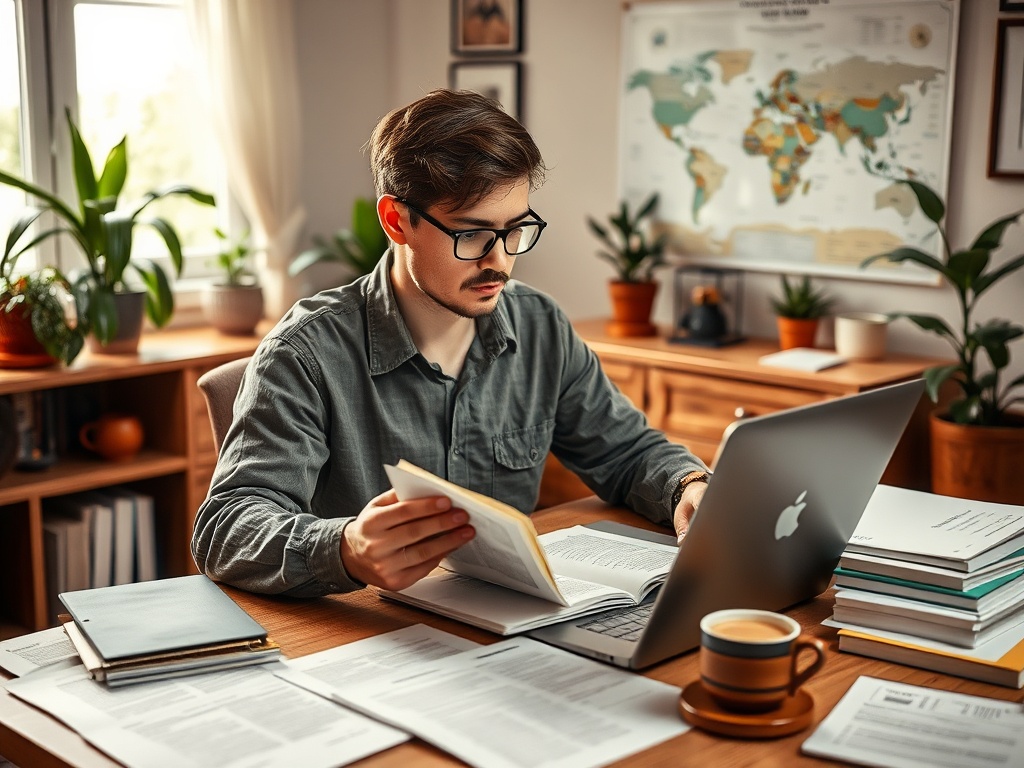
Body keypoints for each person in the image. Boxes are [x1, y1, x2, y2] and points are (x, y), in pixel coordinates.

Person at [192, 89, 709, 598]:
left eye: (516, 229)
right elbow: (226, 527)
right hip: (368, 638)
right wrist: (346, 548)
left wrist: (687, 486)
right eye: (472, 234)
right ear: (397, 221)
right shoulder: (304, 353)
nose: (500, 261)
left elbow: (626, 450)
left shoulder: (540, 325)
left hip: (509, 630)